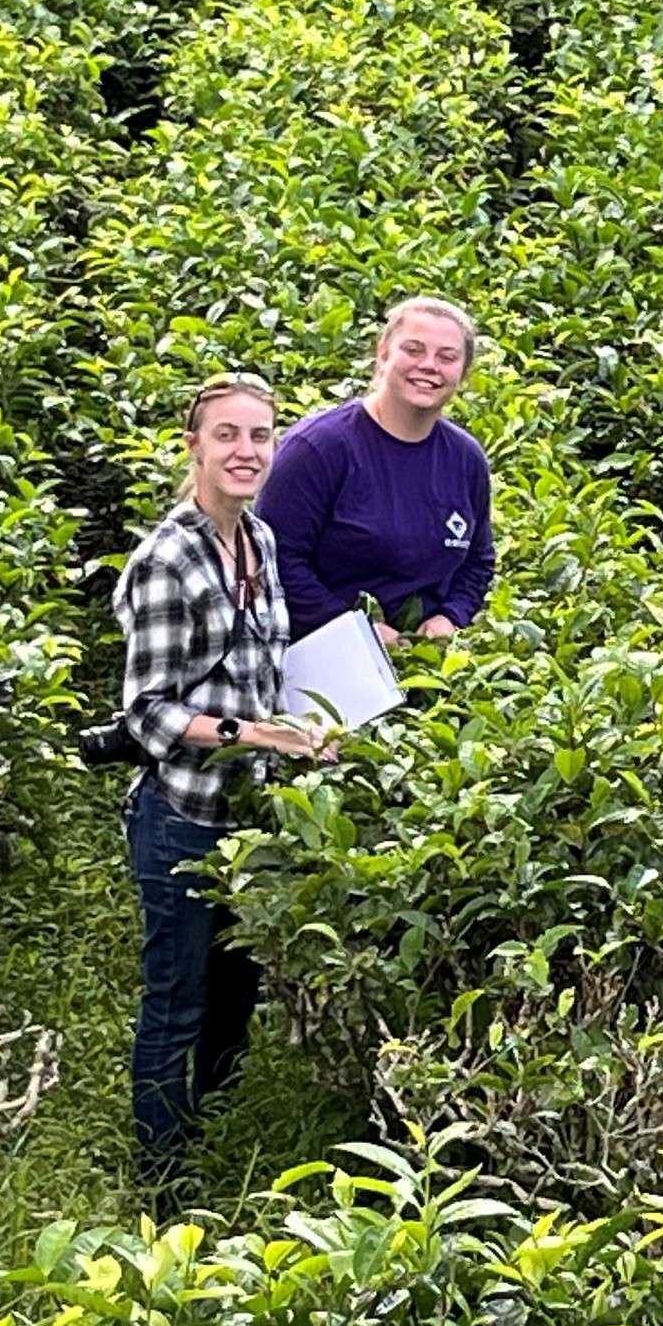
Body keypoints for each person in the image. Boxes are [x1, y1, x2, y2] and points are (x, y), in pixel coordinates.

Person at [114, 374, 336, 1188]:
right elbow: (149, 714)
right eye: (228, 436)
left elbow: (263, 669)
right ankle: (160, 1176)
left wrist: (313, 727)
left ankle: (207, 1138)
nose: (246, 452)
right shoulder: (167, 560)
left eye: (260, 436)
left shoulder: (261, 542)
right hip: (184, 813)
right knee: (176, 997)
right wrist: (261, 735)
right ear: (194, 447)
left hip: (254, 815)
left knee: (237, 994)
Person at [256, 295, 497, 646]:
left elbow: (478, 560)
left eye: (447, 357)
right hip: (316, 655)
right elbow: (274, 558)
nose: (429, 365)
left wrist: (451, 615)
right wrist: (353, 629)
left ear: (463, 373)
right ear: (383, 353)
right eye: (413, 350)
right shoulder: (318, 448)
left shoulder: (465, 458)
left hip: (424, 660)